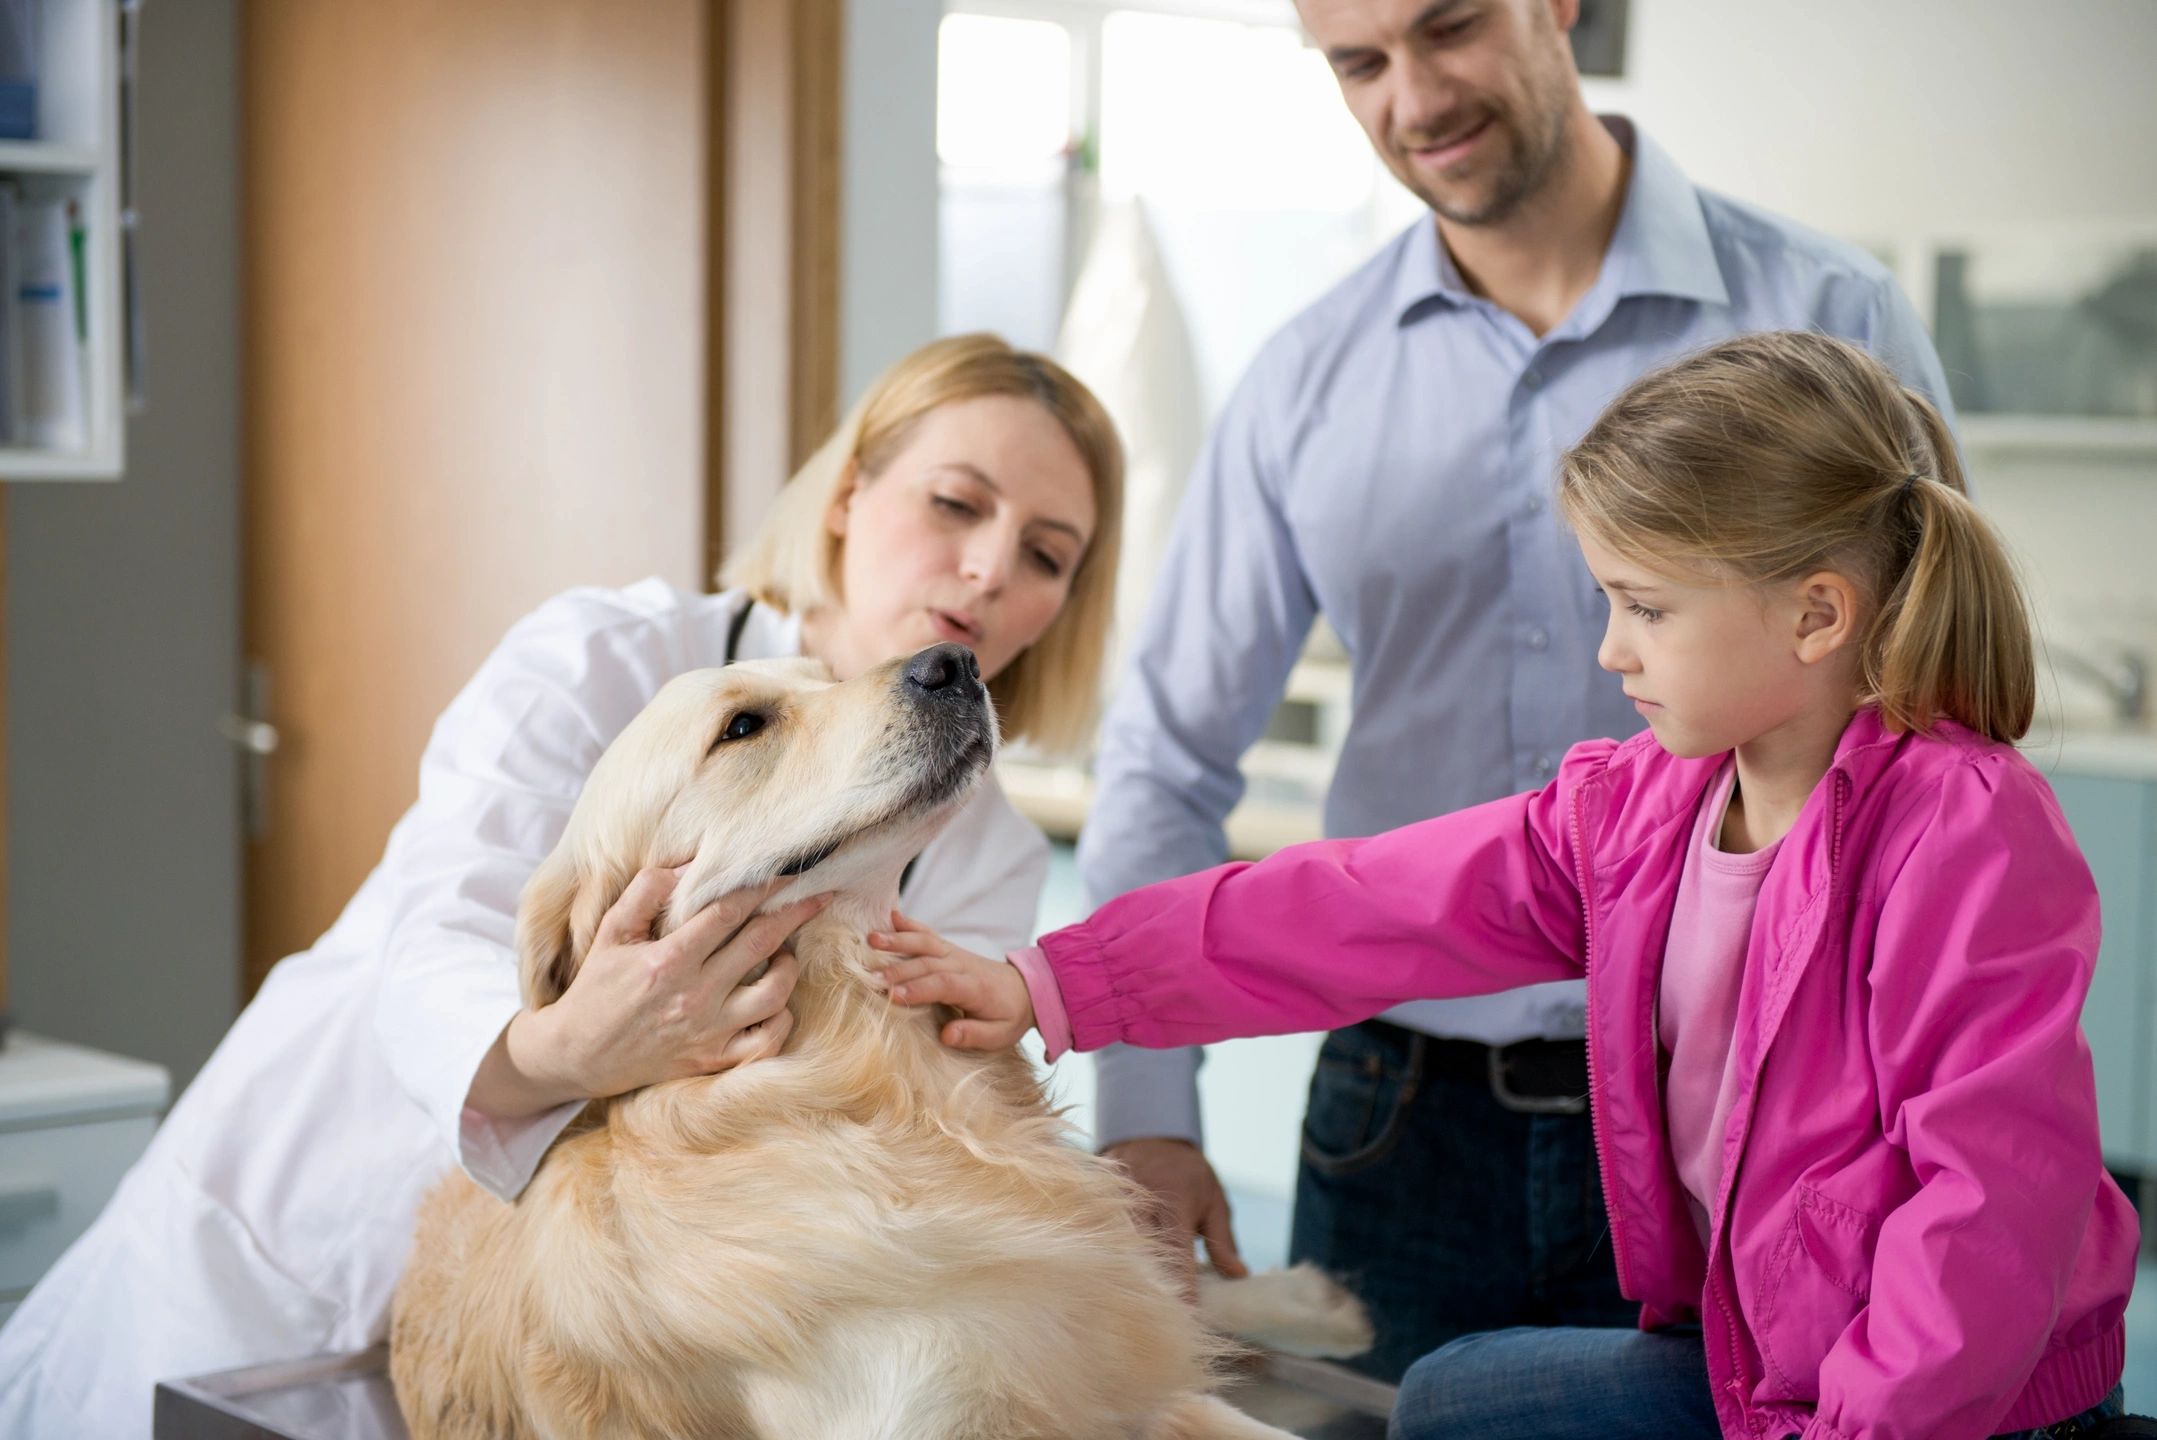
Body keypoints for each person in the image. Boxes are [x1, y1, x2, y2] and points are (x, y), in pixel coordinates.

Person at [876, 331, 2142, 1440]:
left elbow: (1985, 1214)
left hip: (1968, 1408)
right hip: (1773, 1367)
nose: (1611, 648)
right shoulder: (1640, 808)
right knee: (1448, 1398)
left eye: (1646, 606)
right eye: (1608, 600)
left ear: (1817, 615)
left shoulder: (1963, 831)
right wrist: (1057, 982)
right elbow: (1367, 906)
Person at [0, 333, 1125, 1438]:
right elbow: (435, 938)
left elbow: (906, 1120)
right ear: (847, 492)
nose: (987, 570)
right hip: (279, 1255)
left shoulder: (989, 853)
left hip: (616, 1343)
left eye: (1045, 554)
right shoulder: (603, 659)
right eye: (955, 504)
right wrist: (575, 1049)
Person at [1078, 0, 1956, 1381]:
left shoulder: (1827, 319)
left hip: (1752, 1116)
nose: (1414, 98)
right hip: (1399, 1128)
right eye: (1357, 63)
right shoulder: (1306, 380)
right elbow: (1162, 765)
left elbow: (1934, 721)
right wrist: (1145, 1112)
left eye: (1449, 27)